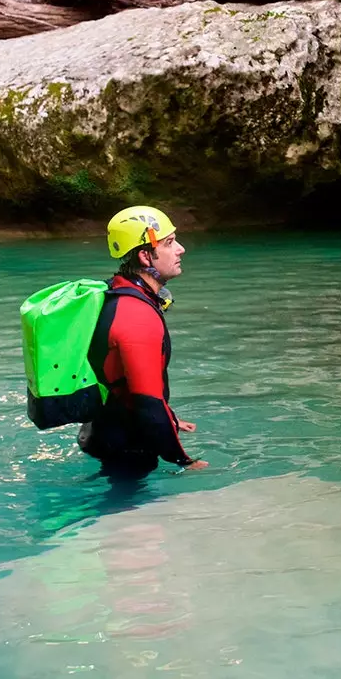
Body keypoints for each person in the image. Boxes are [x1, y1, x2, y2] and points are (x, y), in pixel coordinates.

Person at [77, 205, 208, 478]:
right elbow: (147, 404)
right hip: (126, 445)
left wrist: (169, 418)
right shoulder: (137, 315)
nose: (181, 249)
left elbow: (125, 379)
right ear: (146, 256)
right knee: (128, 513)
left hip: (105, 429)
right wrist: (184, 461)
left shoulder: (118, 291)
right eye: (170, 243)